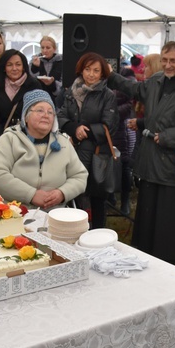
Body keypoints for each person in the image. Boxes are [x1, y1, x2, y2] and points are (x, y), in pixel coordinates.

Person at [107, 41, 175, 264]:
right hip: (150, 157)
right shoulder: (156, 80)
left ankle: (169, 254)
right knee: (148, 204)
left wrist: (169, 137)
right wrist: (111, 75)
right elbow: (135, 89)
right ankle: (145, 249)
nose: (168, 65)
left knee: (169, 210)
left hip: (174, 159)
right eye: (164, 60)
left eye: (173, 61)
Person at [0, 89, 87, 210]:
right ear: (26, 117)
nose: (46, 115)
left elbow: (80, 176)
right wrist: (31, 194)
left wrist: (62, 193)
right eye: (40, 110)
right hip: (14, 212)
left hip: (54, 214)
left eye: (50, 112)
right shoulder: (9, 140)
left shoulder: (63, 143)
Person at [57, 52, 119, 229]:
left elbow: (110, 125)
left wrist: (87, 131)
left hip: (96, 152)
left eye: (96, 70)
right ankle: (74, 229)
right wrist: (73, 128)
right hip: (73, 150)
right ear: (81, 70)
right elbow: (60, 115)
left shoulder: (108, 95)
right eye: (88, 69)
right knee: (74, 192)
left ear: (102, 73)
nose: (91, 74)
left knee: (97, 195)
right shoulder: (71, 90)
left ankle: (98, 231)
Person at [0, 49, 41, 145]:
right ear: (4, 67)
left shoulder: (34, 85)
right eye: (9, 65)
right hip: (2, 140)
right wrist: (3, 139)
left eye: (18, 64)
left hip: (29, 141)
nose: (14, 68)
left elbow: (39, 114)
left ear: (24, 67)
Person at [111, 66, 137, 215]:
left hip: (123, 129)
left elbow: (130, 103)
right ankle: (110, 197)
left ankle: (125, 200)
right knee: (108, 164)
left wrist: (111, 112)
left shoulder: (128, 77)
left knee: (125, 166)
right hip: (108, 130)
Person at [30, 36, 63, 105]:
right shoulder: (34, 61)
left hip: (56, 101)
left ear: (54, 49)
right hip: (37, 99)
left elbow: (64, 84)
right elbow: (30, 80)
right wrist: (35, 67)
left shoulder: (61, 62)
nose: (45, 51)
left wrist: (52, 84)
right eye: (42, 47)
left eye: (48, 48)